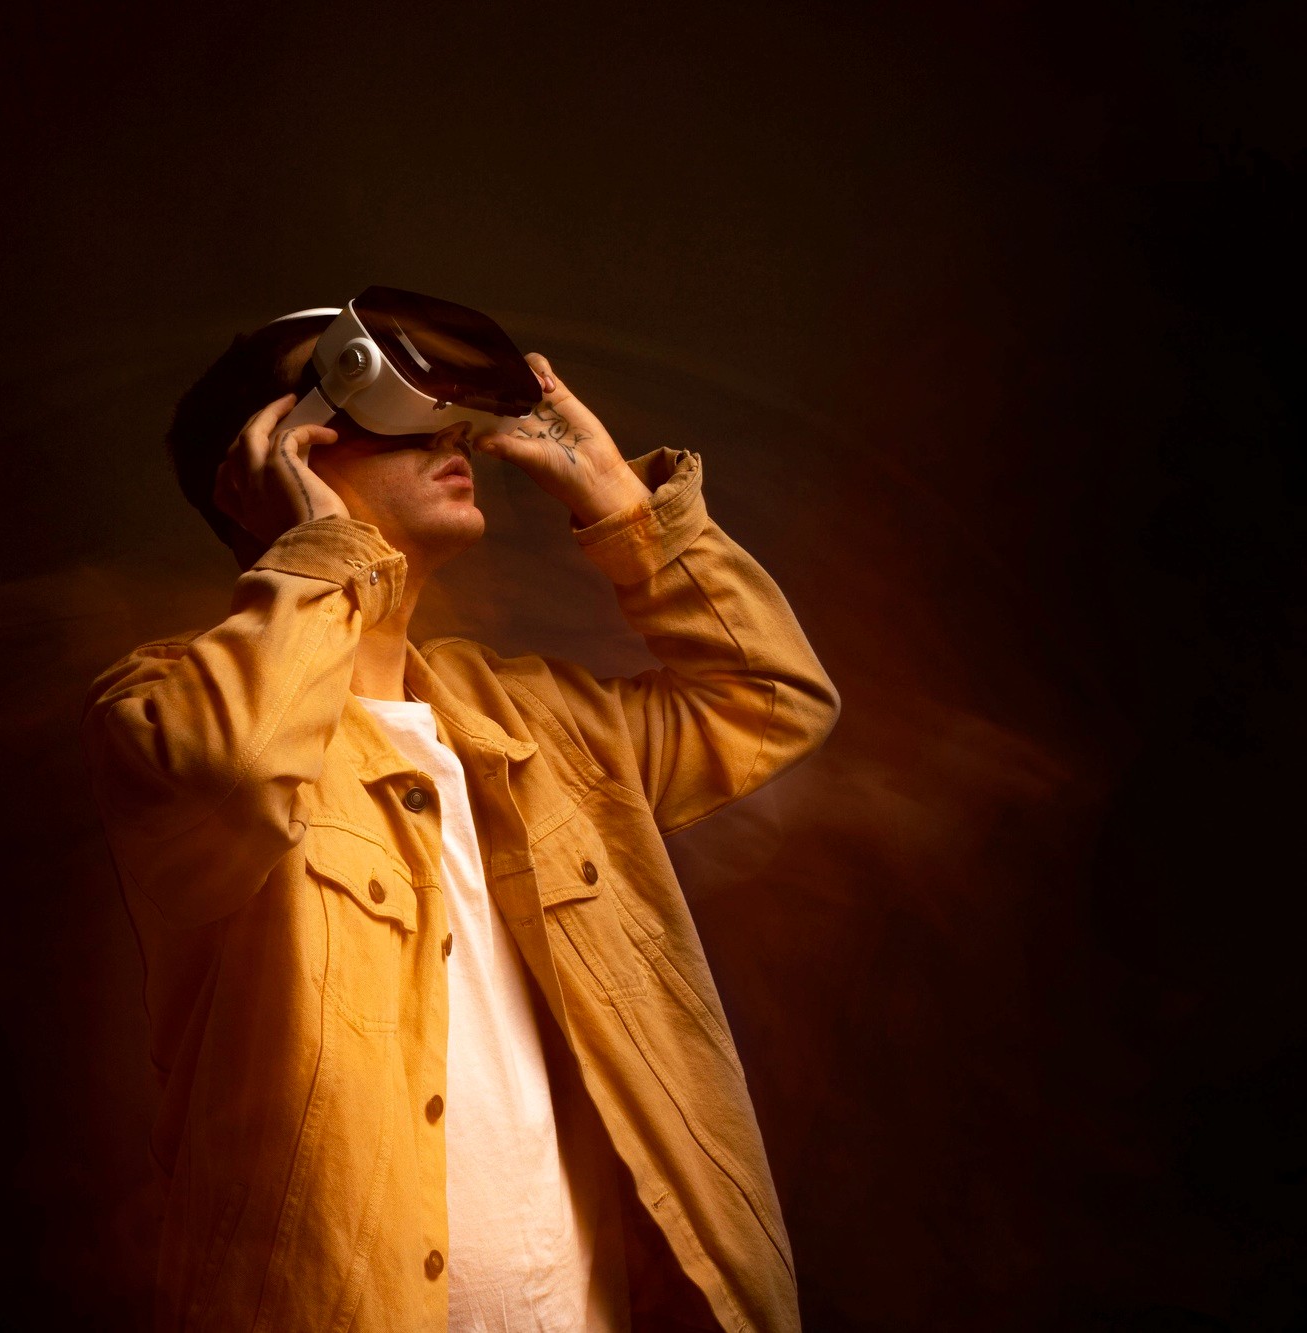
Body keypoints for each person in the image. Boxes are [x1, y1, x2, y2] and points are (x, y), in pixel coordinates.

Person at [82, 304, 840, 1332]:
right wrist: (313, 550)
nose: (445, 431)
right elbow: (236, 767)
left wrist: (627, 512)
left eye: (445, 411)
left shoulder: (541, 725)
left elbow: (772, 696)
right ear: (277, 456)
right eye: (377, 403)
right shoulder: (169, 708)